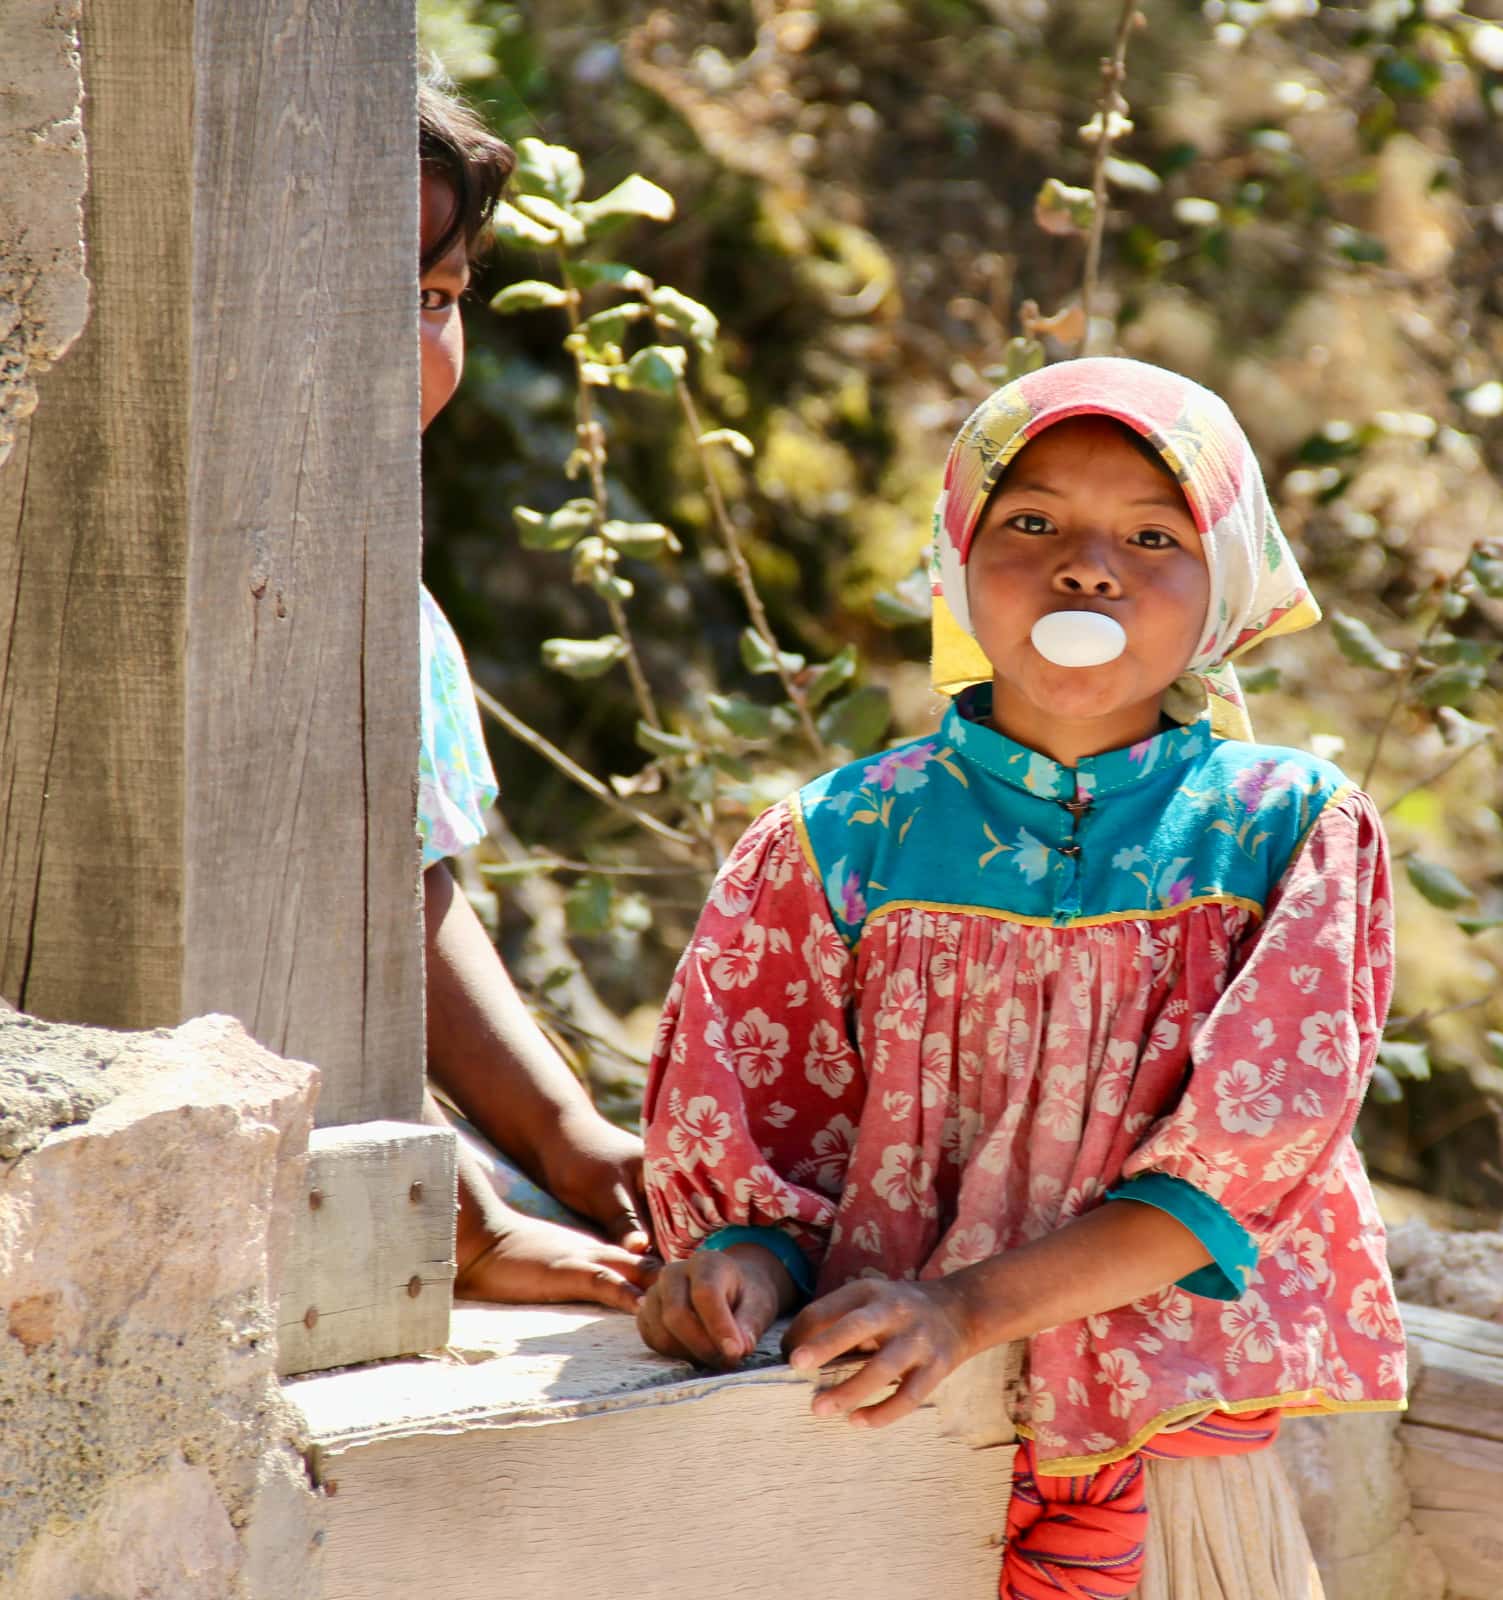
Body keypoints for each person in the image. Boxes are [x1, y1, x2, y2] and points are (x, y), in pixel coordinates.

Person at [634, 356, 1405, 1596]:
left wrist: (970, 1308)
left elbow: (1250, 1155)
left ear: (1228, 584)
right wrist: (735, 1267)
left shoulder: (1289, 832)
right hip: (881, 1447)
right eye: (1033, 520)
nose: (1088, 568)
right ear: (957, 551)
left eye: (1155, 534)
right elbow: (764, 1143)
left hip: (1169, 1465)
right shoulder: (839, 837)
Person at [414, 75, 657, 1314]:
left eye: (435, 298)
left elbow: (400, 900)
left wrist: (567, 1133)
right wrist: (468, 1219)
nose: (405, 343)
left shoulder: (389, 620)